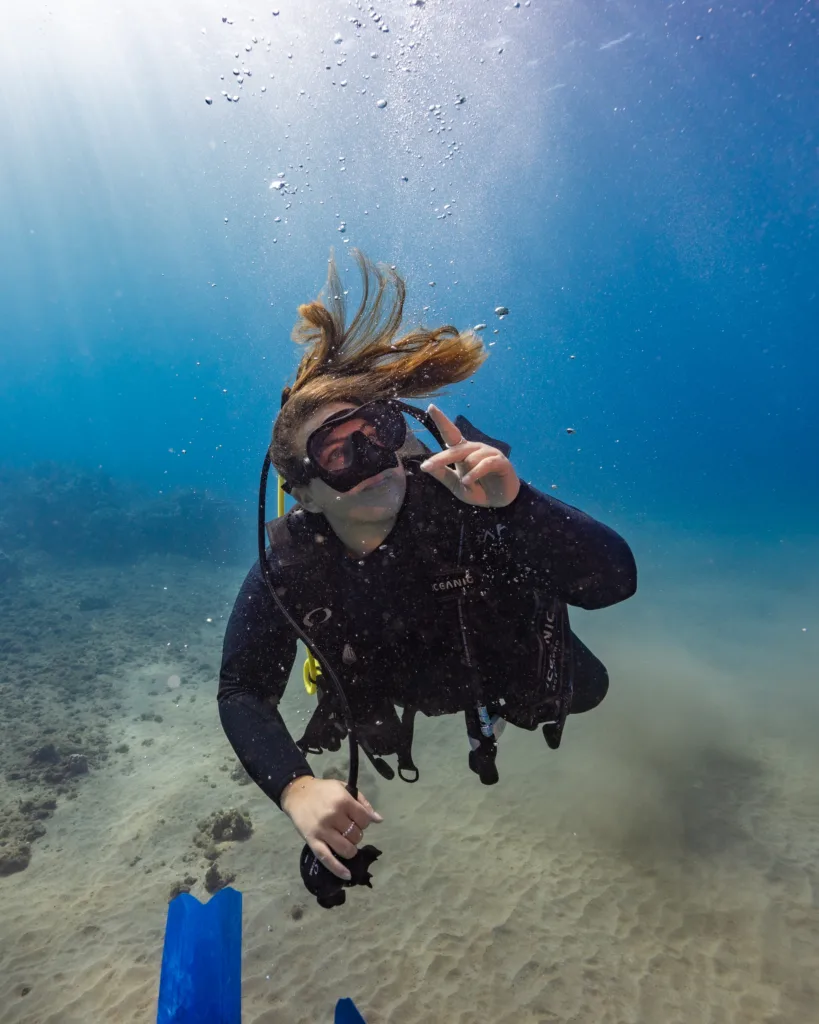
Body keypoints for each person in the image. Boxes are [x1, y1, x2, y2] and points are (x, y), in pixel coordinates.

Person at [218, 251, 637, 887]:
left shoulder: (464, 500)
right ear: (304, 492)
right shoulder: (296, 565)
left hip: (499, 661)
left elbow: (614, 582)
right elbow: (242, 690)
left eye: (378, 431)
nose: (373, 458)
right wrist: (297, 790)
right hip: (398, 686)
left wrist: (518, 506)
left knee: (590, 688)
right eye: (338, 452)